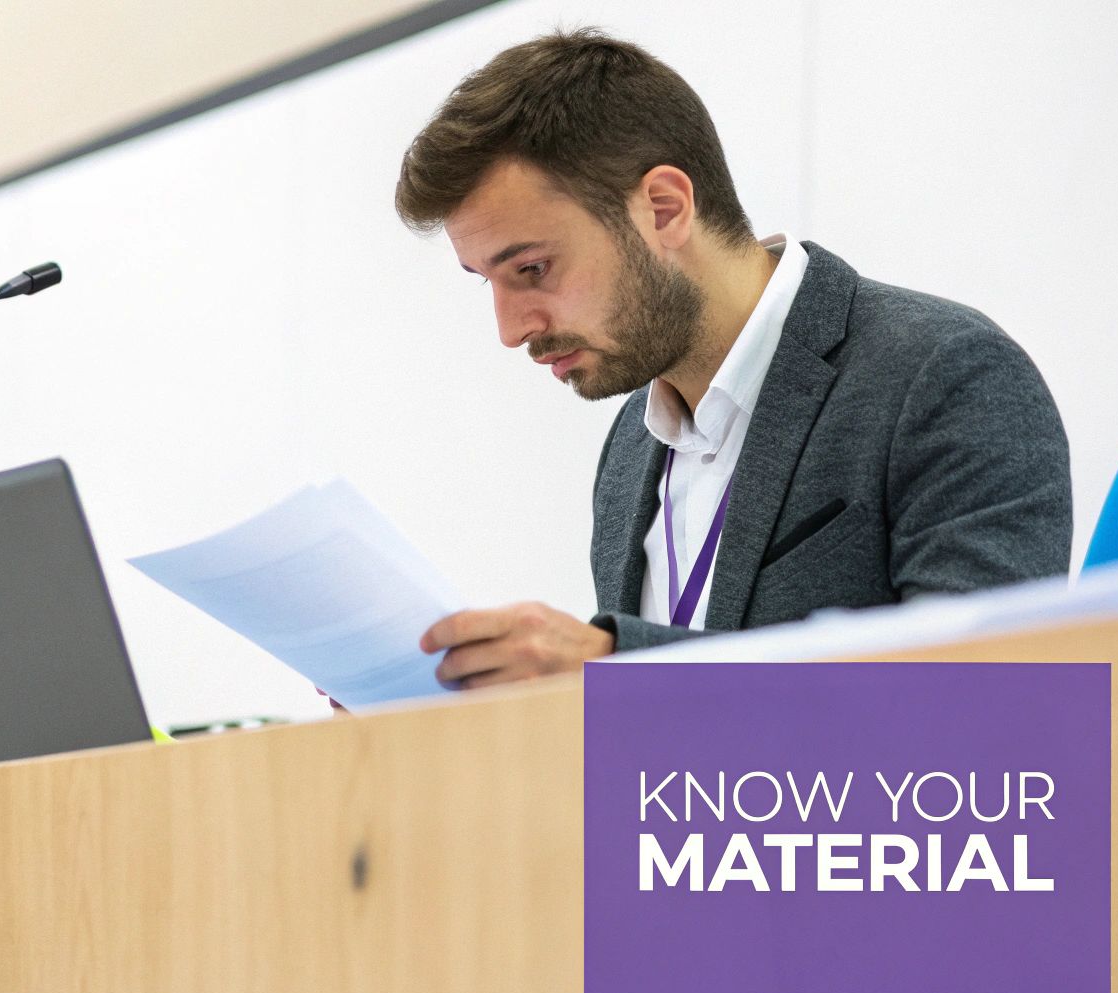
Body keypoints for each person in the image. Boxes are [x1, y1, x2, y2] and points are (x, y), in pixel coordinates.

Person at [395, 30, 1071, 686]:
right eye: (489, 281)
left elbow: (985, 710)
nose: (511, 329)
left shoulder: (944, 375)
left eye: (533, 269)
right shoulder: (630, 449)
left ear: (663, 209)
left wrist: (615, 668)